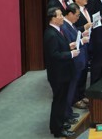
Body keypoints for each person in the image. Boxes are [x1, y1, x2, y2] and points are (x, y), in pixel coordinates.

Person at [43, 7, 79, 138]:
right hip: (58, 74)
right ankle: (57, 130)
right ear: (53, 18)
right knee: (58, 101)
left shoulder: (57, 31)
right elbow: (54, 55)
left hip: (63, 72)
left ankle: (60, 123)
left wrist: (69, 46)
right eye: (59, 15)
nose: (62, 17)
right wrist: (70, 54)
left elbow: (59, 47)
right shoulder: (50, 34)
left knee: (62, 100)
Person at [61, 3, 89, 123]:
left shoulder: (70, 25)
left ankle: (69, 112)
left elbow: (75, 34)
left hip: (78, 61)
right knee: (69, 90)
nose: (78, 18)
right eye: (77, 15)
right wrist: (82, 41)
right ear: (70, 14)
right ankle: (66, 114)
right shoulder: (64, 27)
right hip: (73, 63)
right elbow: (70, 44)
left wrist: (81, 34)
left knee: (72, 89)